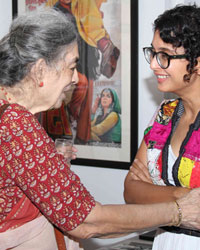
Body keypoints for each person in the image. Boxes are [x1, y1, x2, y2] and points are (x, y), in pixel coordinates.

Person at [1, 7, 200, 250]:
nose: (76, 79)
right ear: (41, 69)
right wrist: (181, 209)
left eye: (165, 55)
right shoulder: (16, 125)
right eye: (72, 66)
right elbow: (90, 219)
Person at [124, 4, 200, 250]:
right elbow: (131, 190)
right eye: (154, 53)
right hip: (165, 241)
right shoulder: (165, 114)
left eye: (165, 55)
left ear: (197, 61)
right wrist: (182, 197)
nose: (154, 65)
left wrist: (155, 193)